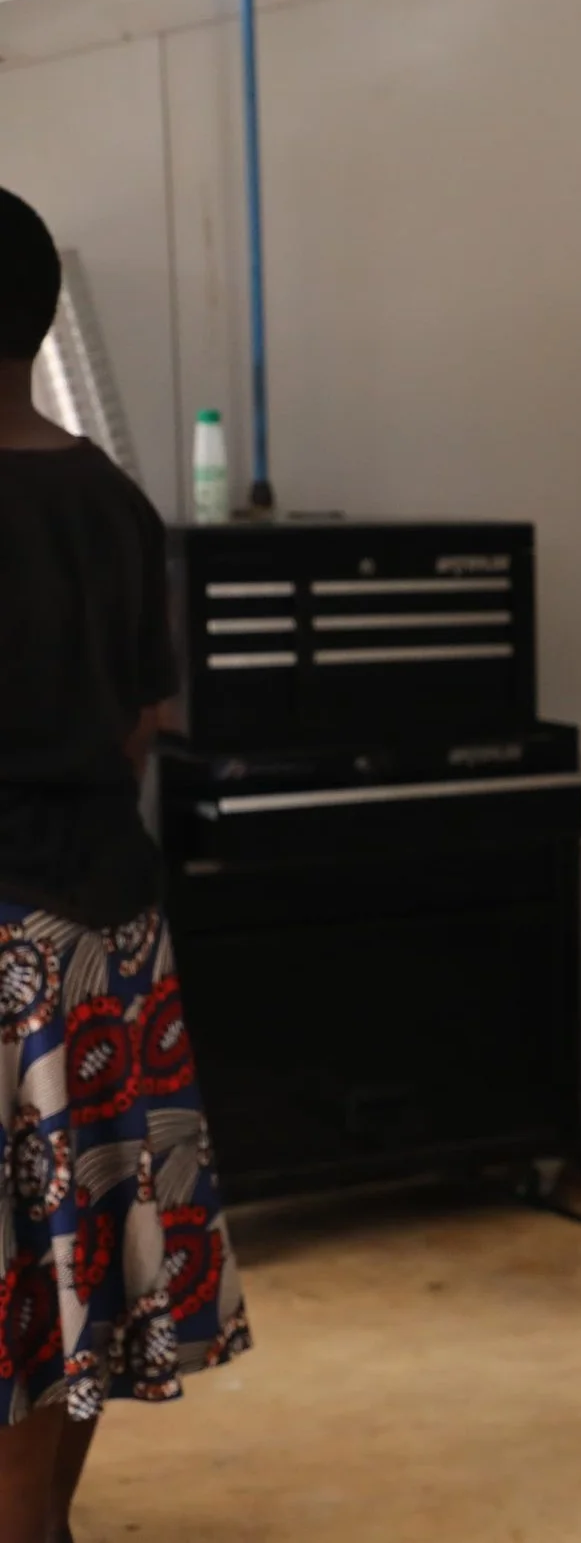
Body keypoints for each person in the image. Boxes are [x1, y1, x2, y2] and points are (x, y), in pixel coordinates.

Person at [0, 187, 250, 1543]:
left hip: (4, 942)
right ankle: (44, 1517)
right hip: (106, 934)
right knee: (79, 1255)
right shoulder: (112, 498)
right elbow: (145, 718)